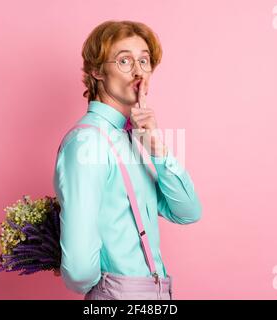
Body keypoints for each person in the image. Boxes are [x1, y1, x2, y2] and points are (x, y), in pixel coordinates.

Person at [53, 20, 202, 300]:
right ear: (97, 71)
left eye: (144, 61)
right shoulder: (88, 141)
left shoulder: (129, 137)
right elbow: (80, 269)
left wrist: (156, 147)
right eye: (124, 61)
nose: (138, 72)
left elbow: (188, 211)